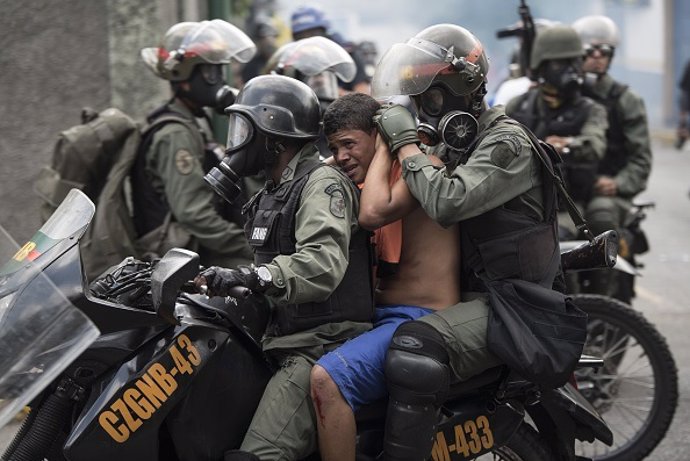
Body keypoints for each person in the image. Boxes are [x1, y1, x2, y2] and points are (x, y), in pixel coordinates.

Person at [370, 24, 564, 461]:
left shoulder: (505, 142)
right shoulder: (461, 139)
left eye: (431, 96)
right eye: (417, 97)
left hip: (513, 303)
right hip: (478, 294)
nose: (423, 107)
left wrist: (404, 142)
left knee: (414, 349)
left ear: (464, 87)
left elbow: (448, 202)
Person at [195, 74, 374, 461]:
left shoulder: (321, 185)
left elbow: (322, 264)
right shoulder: (272, 192)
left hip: (320, 344)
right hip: (280, 338)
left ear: (274, 138)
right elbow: (271, 264)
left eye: (246, 129)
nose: (237, 141)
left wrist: (251, 277)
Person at [309, 93, 461, 461]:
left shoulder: (422, 168)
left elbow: (372, 214)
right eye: (334, 147)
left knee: (325, 381)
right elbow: (318, 174)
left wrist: (386, 146)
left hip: (421, 320)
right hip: (382, 318)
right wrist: (345, 156)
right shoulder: (368, 179)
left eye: (348, 144)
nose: (341, 156)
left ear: (378, 137)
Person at [135, 20, 256, 267]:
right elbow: (194, 215)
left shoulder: (193, 122)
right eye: (211, 72)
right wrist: (250, 246)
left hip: (197, 251)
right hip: (182, 258)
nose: (219, 81)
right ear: (184, 77)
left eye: (220, 71)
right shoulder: (175, 134)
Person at [573, 15, 653, 297]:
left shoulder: (625, 100)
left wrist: (618, 183)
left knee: (602, 219)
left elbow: (641, 159)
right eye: (589, 51)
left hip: (607, 189)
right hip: (568, 187)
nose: (596, 57)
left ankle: (604, 303)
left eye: (603, 52)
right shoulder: (564, 94)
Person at [505, 25, 609, 206]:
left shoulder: (591, 109)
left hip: (569, 206)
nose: (570, 70)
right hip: (524, 202)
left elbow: (595, 144)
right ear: (541, 68)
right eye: (559, 64)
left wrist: (566, 145)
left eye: (574, 62)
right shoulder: (519, 105)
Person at [289, 5, 370, 94]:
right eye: (301, 36)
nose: (309, 40)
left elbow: (364, 95)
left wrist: (334, 92)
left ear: (325, 32)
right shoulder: (295, 62)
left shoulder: (348, 54)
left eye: (313, 33)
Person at [240, 18, 279, 84]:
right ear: (258, 41)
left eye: (271, 37)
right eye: (264, 38)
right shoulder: (251, 66)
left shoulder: (282, 60)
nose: (269, 42)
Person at [677, 59, 690, 150]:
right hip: (686, 94)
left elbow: (681, 83)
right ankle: (681, 139)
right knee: (683, 120)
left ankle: (681, 140)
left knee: (683, 120)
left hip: (685, 94)